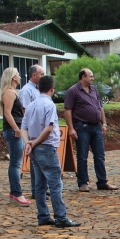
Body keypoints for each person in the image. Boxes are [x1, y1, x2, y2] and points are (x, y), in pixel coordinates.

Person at [21, 75, 81, 228]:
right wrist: (34, 142)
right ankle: (60, 217)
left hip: (34, 147)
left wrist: (28, 142)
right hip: (46, 147)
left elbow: (23, 127)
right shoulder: (49, 105)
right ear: (52, 89)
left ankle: (43, 215)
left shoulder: (32, 105)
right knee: (55, 184)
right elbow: (49, 128)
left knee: (40, 185)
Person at [64, 68, 118, 192]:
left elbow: (100, 107)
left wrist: (104, 123)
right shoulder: (73, 91)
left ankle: (102, 182)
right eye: (90, 76)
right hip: (82, 127)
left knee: (100, 155)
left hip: (96, 127)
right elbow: (68, 110)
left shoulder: (94, 89)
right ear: (83, 77)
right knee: (82, 156)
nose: (92, 78)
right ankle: (83, 182)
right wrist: (71, 128)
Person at [0, 67, 30, 206]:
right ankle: (17, 192)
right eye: (18, 74)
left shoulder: (13, 92)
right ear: (13, 78)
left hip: (16, 130)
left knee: (16, 163)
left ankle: (15, 191)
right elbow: (7, 113)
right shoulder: (9, 93)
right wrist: (17, 129)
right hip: (13, 131)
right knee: (16, 163)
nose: (20, 76)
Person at [19, 64, 47, 200]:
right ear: (34, 75)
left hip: (42, 130)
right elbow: (26, 111)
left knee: (43, 160)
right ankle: (36, 189)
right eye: (41, 74)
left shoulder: (39, 90)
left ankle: (41, 188)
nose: (43, 76)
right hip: (33, 130)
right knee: (35, 161)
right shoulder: (26, 90)